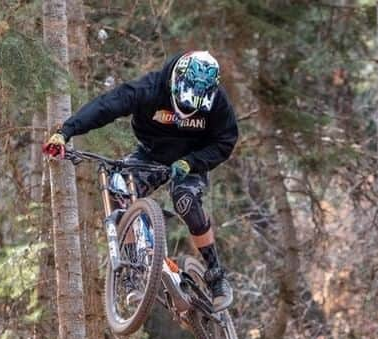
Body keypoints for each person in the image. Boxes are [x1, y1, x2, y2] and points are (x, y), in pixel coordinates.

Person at [42, 51, 239, 308]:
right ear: (175, 83)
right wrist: (65, 132)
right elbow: (106, 106)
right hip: (151, 155)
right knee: (118, 188)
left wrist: (192, 162)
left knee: (186, 199)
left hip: (190, 161)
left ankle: (215, 276)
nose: (188, 109)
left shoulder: (218, 103)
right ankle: (135, 272)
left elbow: (225, 141)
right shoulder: (149, 88)